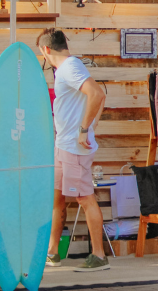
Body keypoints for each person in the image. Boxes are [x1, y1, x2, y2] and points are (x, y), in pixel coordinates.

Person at [39, 29, 109, 271]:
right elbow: (100, 98)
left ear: (46, 50)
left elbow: (97, 93)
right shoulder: (66, 69)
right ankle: (52, 252)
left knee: (84, 198)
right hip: (64, 145)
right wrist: (89, 126)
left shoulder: (70, 66)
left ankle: (99, 256)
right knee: (57, 199)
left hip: (74, 147)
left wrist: (84, 130)